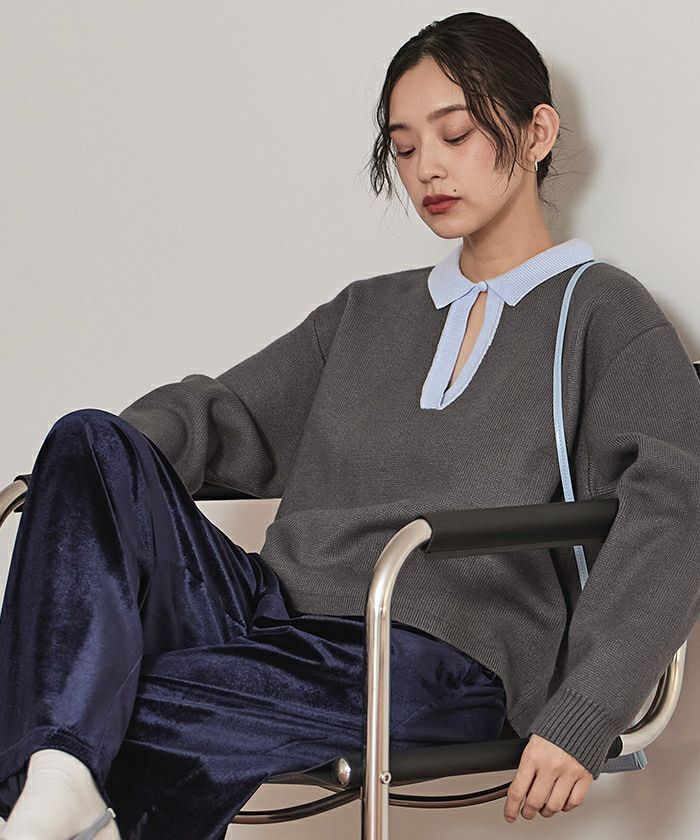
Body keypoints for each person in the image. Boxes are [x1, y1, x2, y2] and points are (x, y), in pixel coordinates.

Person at [2, 10, 700, 839]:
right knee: (88, 437)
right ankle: (62, 779)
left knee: (107, 702)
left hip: (440, 651)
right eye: (404, 148)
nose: (427, 168)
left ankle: (57, 780)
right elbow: (223, 414)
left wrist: (585, 708)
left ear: (537, 132)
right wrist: (74, 489)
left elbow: (674, 508)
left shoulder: (602, 312)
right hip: (274, 615)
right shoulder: (367, 313)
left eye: (455, 135)